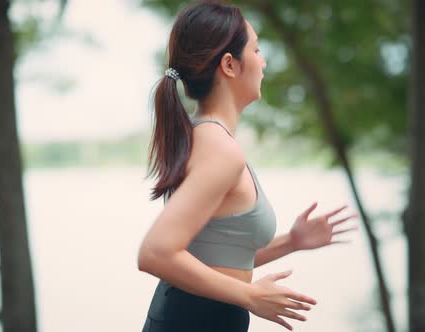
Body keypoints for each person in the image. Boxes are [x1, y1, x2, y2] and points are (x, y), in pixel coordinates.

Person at [137, 1, 357, 331]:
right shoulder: (220, 150)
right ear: (230, 64)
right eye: (256, 50)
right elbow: (155, 253)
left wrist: (291, 242)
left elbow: (214, 260)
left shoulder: (205, 137)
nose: (263, 62)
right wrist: (250, 296)